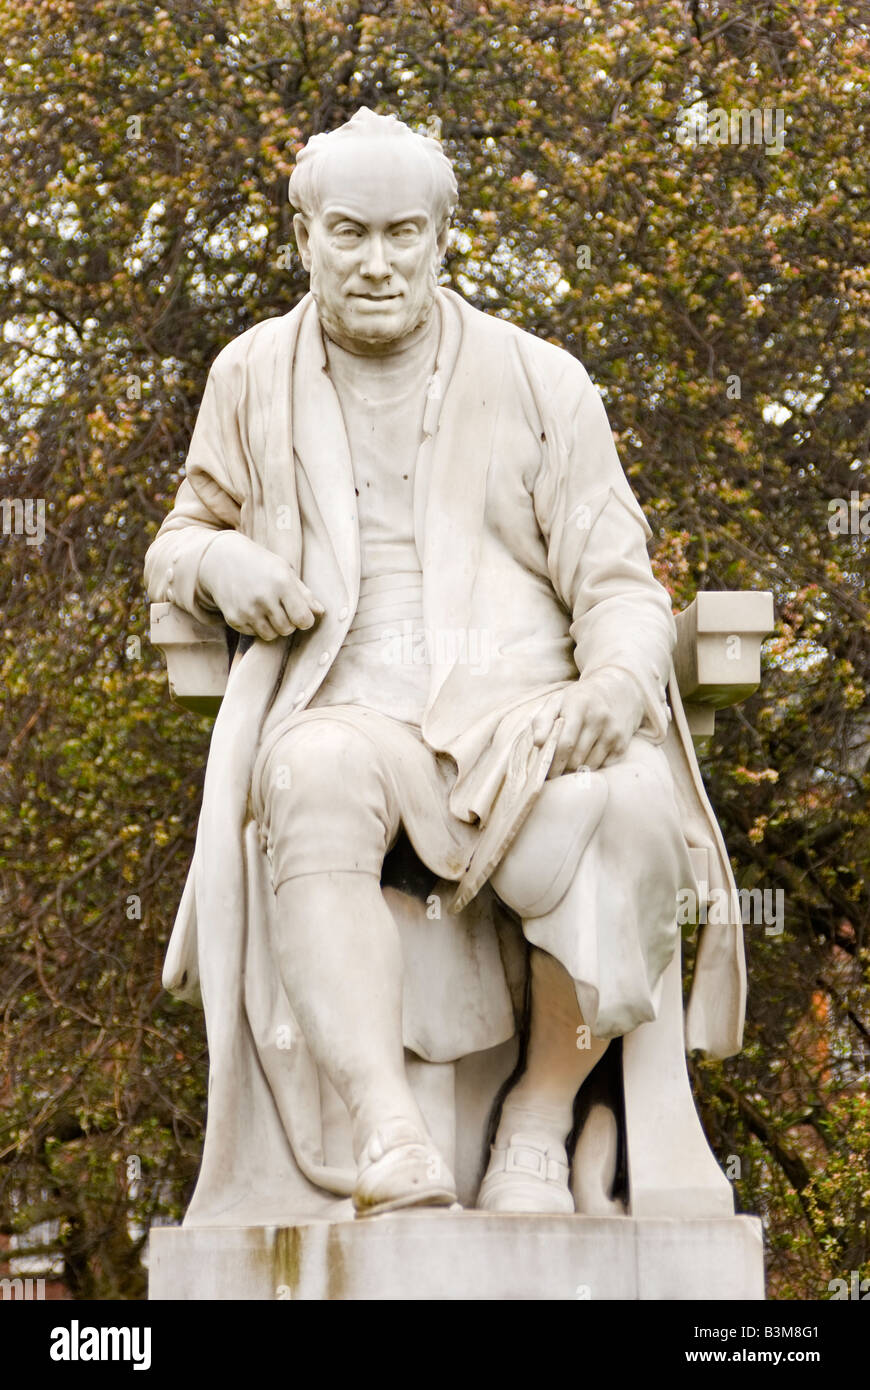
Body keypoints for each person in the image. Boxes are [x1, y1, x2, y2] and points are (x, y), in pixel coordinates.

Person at [145, 108, 745, 1224]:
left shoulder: (542, 379)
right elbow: (176, 537)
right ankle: (388, 1130)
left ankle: (540, 1116)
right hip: (349, 703)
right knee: (309, 778)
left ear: (443, 238)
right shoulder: (251, 373)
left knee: (627, 804)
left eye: (403, 234)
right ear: (302, 239)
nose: (377, 262)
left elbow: (617, 580)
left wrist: (616, 682)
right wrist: (221, 561)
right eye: (349, 233)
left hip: (523, 708)